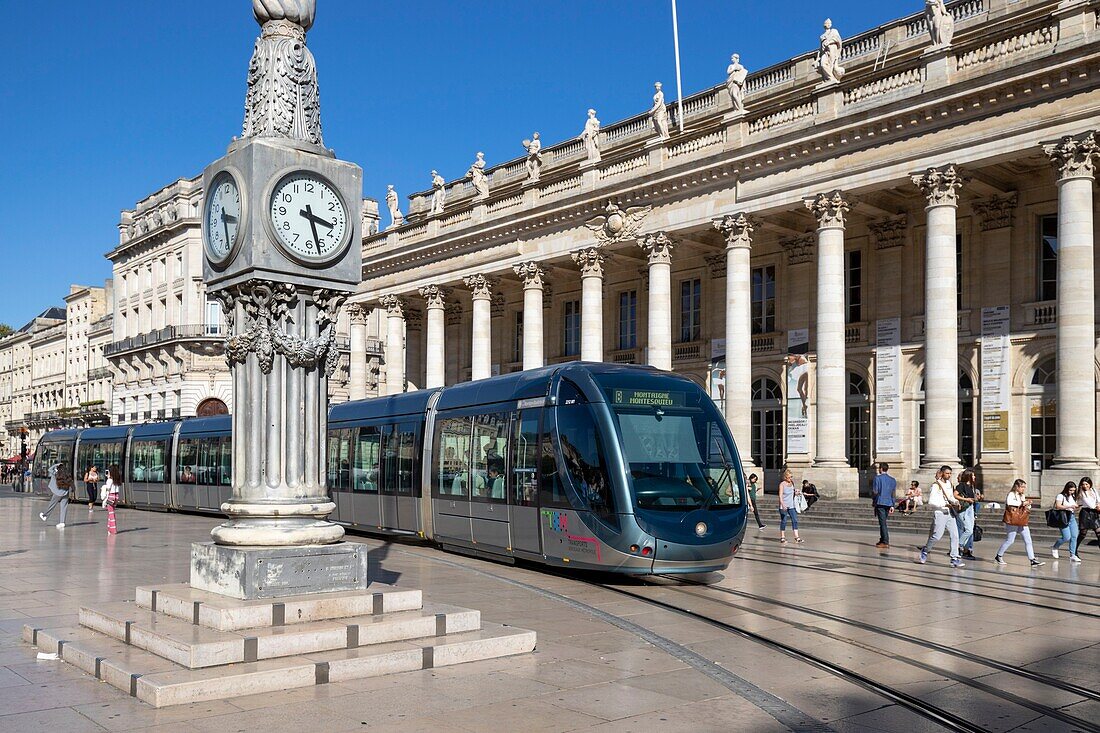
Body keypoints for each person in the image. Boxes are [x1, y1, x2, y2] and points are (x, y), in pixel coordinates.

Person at [919, 465, 964, 567]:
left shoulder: (949, 484)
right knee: (937, 536)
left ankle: (954, 557)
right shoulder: (936, 485)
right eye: (947, 473)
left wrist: (956, 501)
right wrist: (944, 505)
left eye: (950, 473)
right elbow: (931, 501)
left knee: (955, 535)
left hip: (949, 512)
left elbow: (951, 497)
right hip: (940, 513)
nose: (949, 475)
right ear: (942, 473)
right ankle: (925, 550)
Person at [994, 479, 1044, 567]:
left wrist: (1028, 504)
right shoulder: (1011, 494)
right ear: (1017, 486)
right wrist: (1023, 502)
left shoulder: (1022, 495)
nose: (1023, 489)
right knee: (1010, 540)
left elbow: (1023, 506)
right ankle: (999, 555)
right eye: (1022, 487)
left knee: (1028, 540)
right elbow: (1010, 503)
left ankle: (1032, 559)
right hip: (1012, 520)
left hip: (1021, 520)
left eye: (1024, 487)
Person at [954, 469, 982, 559]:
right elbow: (955, 495)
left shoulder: (972, 486)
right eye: (973, 475)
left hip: (971, 508)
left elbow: (972, 498)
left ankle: (966, 550)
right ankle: (959, 545)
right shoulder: (962, 485)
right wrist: (966, 500)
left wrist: (977, 498)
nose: (974, 477)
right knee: (969, 530)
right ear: (968, 476)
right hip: (964, 509)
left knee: (970, 530)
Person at [1051, 481, 1081, 562]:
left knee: (1074, 536)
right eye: (1070, 490)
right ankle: (1055, 547)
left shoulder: (1073, 496)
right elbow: (1058, 506)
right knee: (1066, 537)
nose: (1072, 492)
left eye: (1073, 490)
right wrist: (1070, 506)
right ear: (1066, 489)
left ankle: (1073, 555)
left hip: (1071, 516)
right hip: (1063, 517)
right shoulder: (1060, 496)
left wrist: (1076, 507)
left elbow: (1073, 507)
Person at [39, 463, 73, 529]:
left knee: (52, 505)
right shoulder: (67, 475)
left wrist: (56, 464)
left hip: (57, 493)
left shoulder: (55, 474)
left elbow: (49, 469)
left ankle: (45, 515)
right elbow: (71, 483)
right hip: (65, 492)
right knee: (64, 507)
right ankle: (62, 522)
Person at [872, 462, 897, 548]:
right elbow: (893, 493)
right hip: (889, 502)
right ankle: (882, 539)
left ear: (881, 469)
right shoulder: (893, 479)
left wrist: (874, 501)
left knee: (882, 523)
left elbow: (875, 491)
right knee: (883, 522)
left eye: (879, 468)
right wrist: (893, 505)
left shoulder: (877, 478)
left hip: (880, 502)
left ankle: (885, 541)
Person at [777, 468, 804, 544]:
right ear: (785, 477)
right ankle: (782, 537)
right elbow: (780, 496)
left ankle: (797, 537)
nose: (790, 478)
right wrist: (782, 504)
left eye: (791, 477)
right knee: (784, 521)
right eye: (788, 477)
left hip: (791, 505)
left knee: (795, 520)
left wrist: (796, 492)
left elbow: (792, 493)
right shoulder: (782, 484)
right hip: (783, 506)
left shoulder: (792, 483)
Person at [1075, 476, 1099, 557]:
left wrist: (1098, 505)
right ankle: (1074, 549)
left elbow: (1098, 500)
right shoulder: (1081, 492)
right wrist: (1096, 506)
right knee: (1083, 533)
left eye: (1087, 484)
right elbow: (1090, 504)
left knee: (1098, 532)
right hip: (1085, 513)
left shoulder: (1094, 490)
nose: (1085, 486)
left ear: (1090, 484)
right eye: (1083, 484)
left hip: (1094, 513)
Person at [105, 465, 121, 536]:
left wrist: (105, 499)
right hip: (116, 496)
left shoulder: (109, 480)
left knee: (111, 513)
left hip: (110, 496)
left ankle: (113, 529)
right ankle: (109, 528)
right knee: (110, 512)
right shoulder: (117, 480)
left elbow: (108, 490)